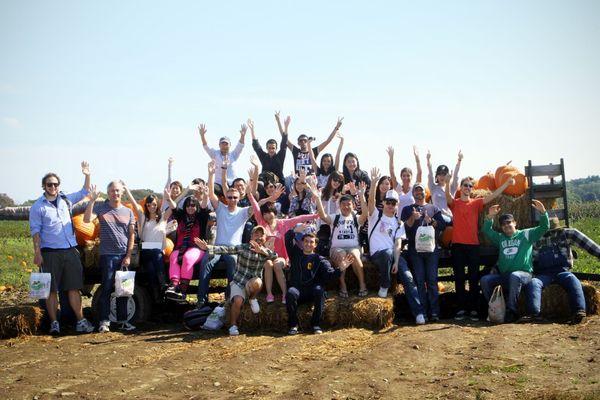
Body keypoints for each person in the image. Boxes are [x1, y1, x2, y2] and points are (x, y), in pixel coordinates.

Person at [29, 162, 95, 335]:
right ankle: (54, 323)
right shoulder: (38, 207)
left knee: (73, 287)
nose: (53, 187)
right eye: (49, 184)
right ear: (44, 186)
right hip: (49, 253)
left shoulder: (66, 199)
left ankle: (80, 321)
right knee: (51, 290)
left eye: (56, 184)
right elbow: (35, 232)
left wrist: (87, 174)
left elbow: (84, 192)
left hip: (70, 250)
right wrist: (37, 253)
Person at [445, 174, 516, 321]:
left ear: (472, 189)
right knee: (459, 278)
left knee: (472, 278)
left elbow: (493, 195)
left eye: (470, 186)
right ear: (461, 188)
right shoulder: (455, 203)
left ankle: (473, 310)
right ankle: (460, 309)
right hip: (458, 245)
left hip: (473, 245)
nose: (468, 188)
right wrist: (447, 182)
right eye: (465, 185)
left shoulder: (476, 203)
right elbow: (447, 197)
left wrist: (506, 184)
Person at [367, 168, 425, 325]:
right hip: (377, 254)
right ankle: (385, 285)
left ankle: (419, 313)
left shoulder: (399, 223)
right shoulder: (375, 215)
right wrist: (373, 184)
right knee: (386, 253)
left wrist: (396, 261)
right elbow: (370, 202)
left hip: (393, 255)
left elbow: (398, 243)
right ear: (384, 202)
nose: (390, 205)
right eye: (388, 202)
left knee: (408, 277)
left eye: (394, 203)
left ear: (397, 205)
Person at [195, 226, 278, 336]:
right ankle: (233, 325)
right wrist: (208, 248)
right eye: (256, 235)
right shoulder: (243, 247)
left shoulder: (266, 252)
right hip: (239, 281)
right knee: (238, 300)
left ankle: (252, 298)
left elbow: (275, 256)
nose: (258, 237)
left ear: (265, 238)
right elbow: (227, 249)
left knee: (257, 282)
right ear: (251, 237)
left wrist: (262, 251)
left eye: (261, 235)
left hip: (252, 283)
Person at [81, 181, 136, 333]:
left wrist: (128, 255)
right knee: (106, 288)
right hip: (107, 255)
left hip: (123, 256)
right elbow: (85, 220)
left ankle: (123, 321)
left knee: (123, 290)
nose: (115, 193)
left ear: (122, 192)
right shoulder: (101, 208)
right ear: (108, 193)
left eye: (117, 191)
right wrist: (91, 200)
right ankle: (104, 321)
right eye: (112, 191)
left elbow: (131, 235)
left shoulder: (128, 211)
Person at [480, 200, 549, 322]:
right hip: (505, 276)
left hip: (524, 274)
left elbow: (544, 227)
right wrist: (490, 216)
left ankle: (512, 311)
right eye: (503, 224)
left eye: (509, 222)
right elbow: (487, 230)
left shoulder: (526, 234)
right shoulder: (500, 238)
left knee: (515, 276)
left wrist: (543, 212)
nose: (506, 225)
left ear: (515, 223)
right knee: (485, 280)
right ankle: (495, 308)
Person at [197, 161, 253, 307]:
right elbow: (210, 193)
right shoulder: (220, 208)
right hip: (217, 247)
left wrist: (254, 177)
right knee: (206, 262)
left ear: (239, 198)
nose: (232, 200)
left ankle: (230, 301)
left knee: (233, 263)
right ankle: (201, 302)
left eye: (235, 197)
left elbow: (255, 205)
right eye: (229, 197)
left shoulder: (243, 212)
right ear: (225, 198)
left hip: (233, 249)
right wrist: (210, 174)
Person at [248, 191, 318, 304]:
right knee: (268, 264)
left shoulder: (282, 223)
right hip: (265, 256)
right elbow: (256, 208)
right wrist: (249, 194)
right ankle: (269, 294)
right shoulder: (261, 223)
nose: (267, 215)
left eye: (269, 212)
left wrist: (315, 215)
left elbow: (299, 218)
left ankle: (285, 294)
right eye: (264, 213)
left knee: (276, 264)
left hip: (280, 256)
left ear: (274, 212)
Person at [528, 217, 600, 324]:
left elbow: (589, 245)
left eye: (553, 231)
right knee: (534, 283)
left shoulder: (568, 234)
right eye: (548, 232)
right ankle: (535, 314)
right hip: (543, 274)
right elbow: (528, 258)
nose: (551, 234)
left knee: (572, 279)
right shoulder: (535, 238)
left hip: (562, 271)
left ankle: (579, 311)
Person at [285, 230, 352, 335]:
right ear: (302, 243)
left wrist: (341, 268)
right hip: (299, 290)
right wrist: (295, 230)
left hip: (313, 291)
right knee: (290, 292)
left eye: (311, 242)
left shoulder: (320, 259)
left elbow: (330, 276)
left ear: (315, 245)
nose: (308, 244)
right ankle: (294, 325)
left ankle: (316, 324)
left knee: (319, 290)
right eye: (306, 241)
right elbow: (288, 238)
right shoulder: (295, 255)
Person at [309, 181, 369, 297]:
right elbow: (322, 216)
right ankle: (342, 285)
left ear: (353, 206)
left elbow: (365, 214)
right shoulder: (335, 217)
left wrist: (361, 195)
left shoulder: (356, 218)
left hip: (354, 247)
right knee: (341, 256)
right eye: (343, 204)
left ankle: (362, 284)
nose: (346, 206)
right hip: (336, 248)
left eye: (349, 204)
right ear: (339, 206)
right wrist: (318, 198)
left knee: (355, 256)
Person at [400, 183, 446, 321]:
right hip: (415, 251)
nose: (419, 192)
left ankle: (435, 313)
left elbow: (442, 225)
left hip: (432, 250)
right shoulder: (408, 209)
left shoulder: (433, 208)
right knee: (420, 281)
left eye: (421, 190)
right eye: (416, 190)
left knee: (432, 281)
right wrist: (412, 218)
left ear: (425, 193)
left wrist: (431, 220)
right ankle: (423, 313)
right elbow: (404, 230)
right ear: (413, 193)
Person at [123, 187, 173, 298]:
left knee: (151, 270)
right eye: (149, 204)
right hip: (146, 249)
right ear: (146, 206)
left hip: (157, 251)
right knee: (157, 253)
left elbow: (173, 206)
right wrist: (126, 189)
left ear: (157, 205)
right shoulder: (143, 217)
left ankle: (157, 295)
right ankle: (163, 284)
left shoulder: (162, 218)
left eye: (154, 204)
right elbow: (134, 203)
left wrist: (169, 198)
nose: (152, 207)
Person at [164, 186, 210, 301]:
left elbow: (204, 207)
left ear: (196, 206)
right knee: (174, 256)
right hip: (180, 247)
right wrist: (169, 198)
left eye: (193, 205)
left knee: (188, 258)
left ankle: (183, 290)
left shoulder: (201, 217)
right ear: (185, 206)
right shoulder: (181, 217)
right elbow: (174, 207)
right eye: (188, 205)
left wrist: (205, 195)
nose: (190, 207)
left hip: (197, 248)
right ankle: (174, 285)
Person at [251, 113, 290, 184]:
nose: (271, 150)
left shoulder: (280, 156)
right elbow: (257, 147)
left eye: (273, 148)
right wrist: (252, 130)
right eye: (269, 148)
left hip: (279, 184)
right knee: (258, 183)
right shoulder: (264, 157)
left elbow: (284, 144)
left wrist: (286, 127)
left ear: (276, 148)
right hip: (266, 184)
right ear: (266, 148)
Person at [427, 150, 463, 222]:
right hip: (437, 218)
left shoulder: (452, 188)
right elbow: (430, 174)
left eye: (444, 174)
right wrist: (428, 160)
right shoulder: (433, 187)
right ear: (436, 176)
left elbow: (456, 175)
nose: (442, 176)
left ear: (448, 175)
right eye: (440, 174)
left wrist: (459, 160)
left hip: (449, 218)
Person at [387, 145, 423, 213]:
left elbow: (420, 173)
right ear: (401, 177)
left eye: (408, 176)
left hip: (412, 220)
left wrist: (417, 158)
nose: (406, 178)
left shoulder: (414, 188)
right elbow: (392, 172)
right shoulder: (398, 188)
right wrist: (391, 157)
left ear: (411, 177)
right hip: (399, 220)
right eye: (404, 176)